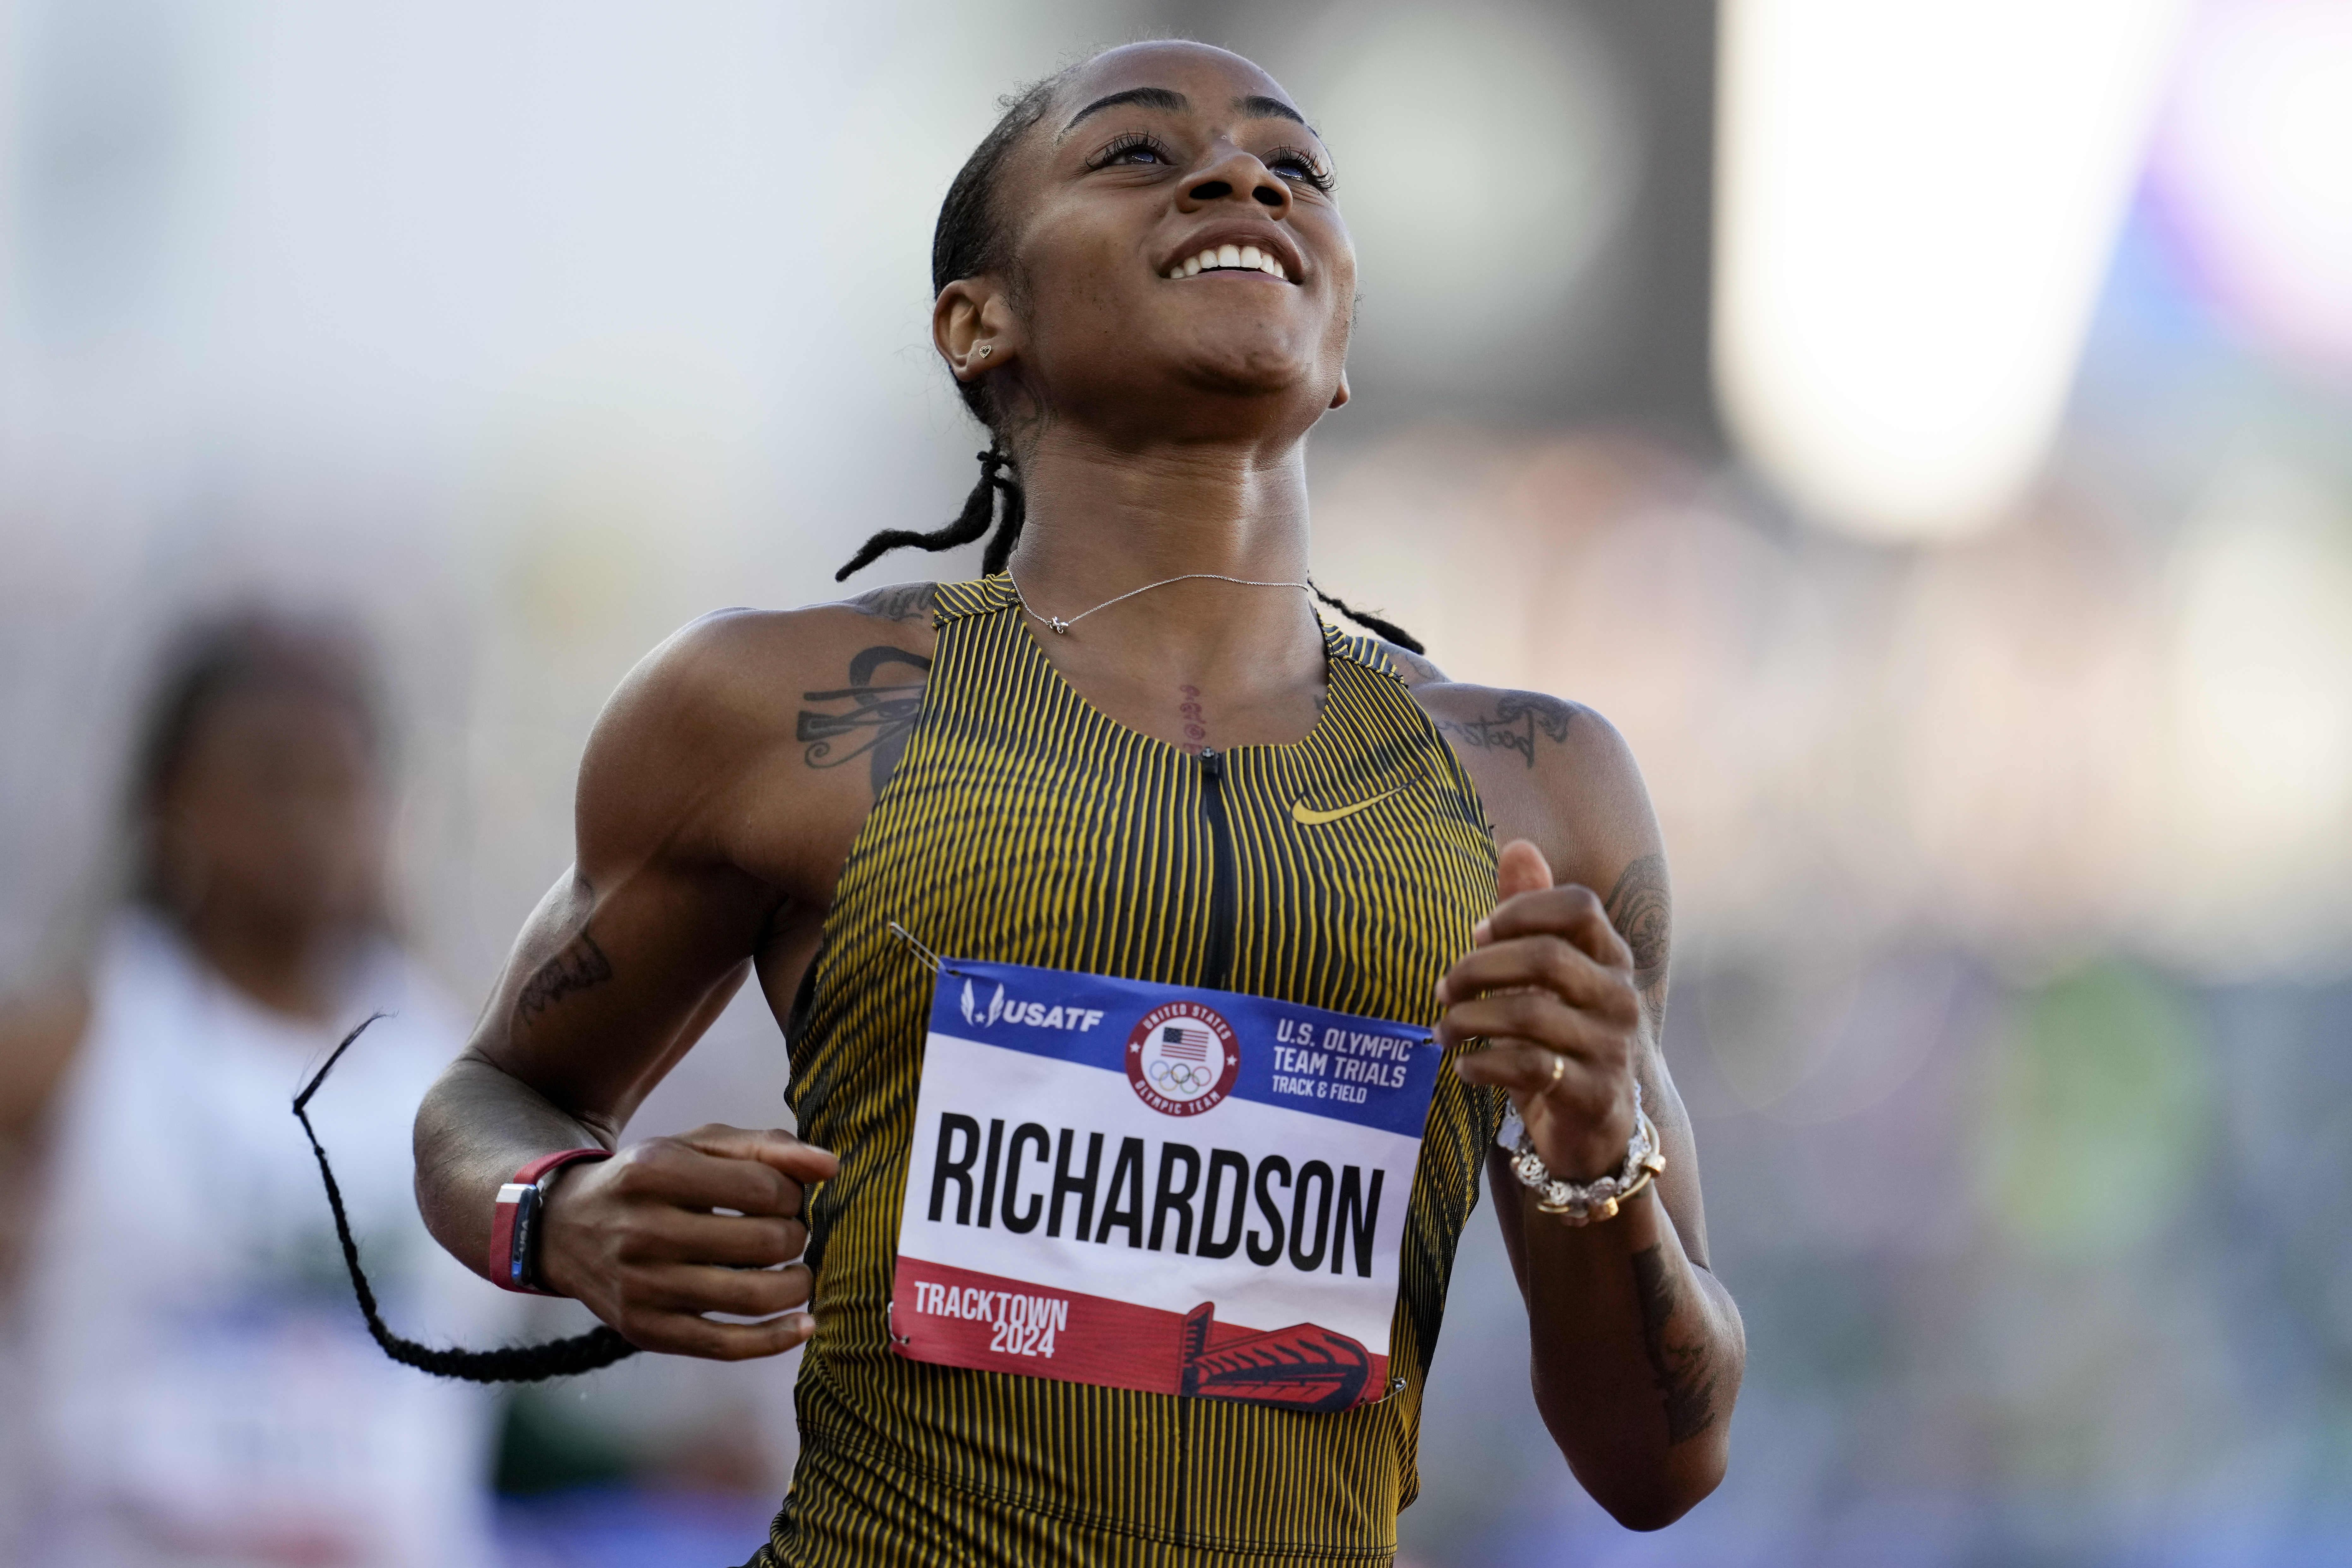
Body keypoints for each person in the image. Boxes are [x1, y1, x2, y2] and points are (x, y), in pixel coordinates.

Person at [413, 39, 1745, 1565]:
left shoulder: (1541, 786)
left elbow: (1667, 1464)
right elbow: (486, 1099)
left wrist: (1591, 1158)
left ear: (1346, 326)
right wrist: (554, 1214)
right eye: (1134, 154)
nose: (1241, 177)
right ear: (979, 322)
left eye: (1294, 167)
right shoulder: (768, 714)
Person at [0, 611, 508, 1568]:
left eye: (340, 783)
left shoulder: (461, 1064)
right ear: (169, 802)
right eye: (269, 781)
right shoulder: (76, 1041)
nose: (309, 823)